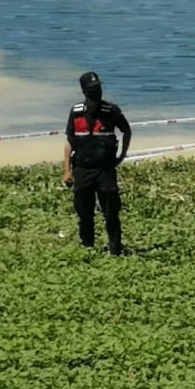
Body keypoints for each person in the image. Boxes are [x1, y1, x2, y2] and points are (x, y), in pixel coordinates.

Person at [62, 71, 132, 254]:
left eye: (99, 87)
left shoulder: (111, 111)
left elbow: (127, 131)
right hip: (82, 169)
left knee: (111, 213)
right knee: (84, 213)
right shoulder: (76, 112)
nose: (97, 91)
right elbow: (69, 142)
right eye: (93, 88)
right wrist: (66, 171)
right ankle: (88, 249)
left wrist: (122, 155)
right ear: (84, 91)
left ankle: (116, 250)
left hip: (105, 170)